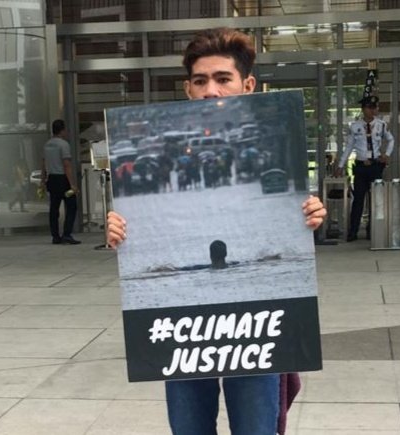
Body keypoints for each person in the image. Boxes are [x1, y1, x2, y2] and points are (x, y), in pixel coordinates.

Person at [105, 28, 327, 435]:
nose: (211, 90)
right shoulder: (163, 156)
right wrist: (122, 229)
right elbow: (148, 234)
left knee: (256, 429)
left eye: (223, 79)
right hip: (186, 324)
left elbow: (288, 228)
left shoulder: (272, 153)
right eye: (200, 80)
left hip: (256, 320)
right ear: (188, 90)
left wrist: (309, 214)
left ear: (248, 85)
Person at [334, 96, 394, 242]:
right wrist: (341, 165)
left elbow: (391, 139)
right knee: (358, 200)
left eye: (375, 107)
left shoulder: (381, 125)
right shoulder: (355, 126)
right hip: (361, 166)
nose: (373, 110)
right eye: (369, 107)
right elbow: (349, 147)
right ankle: (353, 231)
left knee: (375, 200)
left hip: (376, 166)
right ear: (363, 109)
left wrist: (386, 154)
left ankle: (372, 231)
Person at [41, 119, 80, 245]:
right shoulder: (63, 145)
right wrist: (72, 184)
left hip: (52, 179)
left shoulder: (47, 145)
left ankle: (55, 236)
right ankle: (67, 234)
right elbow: (66, 165)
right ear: (62, 130)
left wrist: (43, 180)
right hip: (63, 179)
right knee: (72, 206)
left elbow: (43, 164)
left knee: (54, 208)